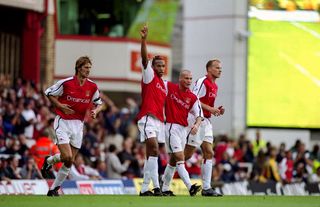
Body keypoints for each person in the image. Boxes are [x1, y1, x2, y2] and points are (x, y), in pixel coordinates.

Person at [42, 56, 104, 196]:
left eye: (90, 68)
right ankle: (50, 161)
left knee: (70, 161)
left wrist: (96, 110)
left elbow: (99, 103)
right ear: (78, 67)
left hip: (78, 125)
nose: (88, 70)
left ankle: (54, 189)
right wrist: (59, 105)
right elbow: (48, 93)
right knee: (67, 157)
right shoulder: (66, 83)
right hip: (63, 122)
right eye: (86, 67)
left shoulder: (92, 86)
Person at [184, 59, 224, 196]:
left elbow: (206, 105)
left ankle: (206, 188)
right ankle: (165, 178)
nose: (220, 70)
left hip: (207, 121)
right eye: (217, 67)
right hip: (197, 119)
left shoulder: (215, 86)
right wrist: (210, 109)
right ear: (209, 69)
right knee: (187, 155)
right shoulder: (203, 81)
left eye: (220, 68)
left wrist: (215, 110)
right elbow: (193, 99)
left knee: (209, 152)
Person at [136, 25, 167, 196]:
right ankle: (155, 187)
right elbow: (144, 58)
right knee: (154, 149)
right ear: (153, 66)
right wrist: (143, 39)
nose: (161, 68)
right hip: (147, 118)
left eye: (163, 66)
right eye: (159, 65)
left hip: (159, 122)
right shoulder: (149, 75)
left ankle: (146, 188)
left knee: (152, 155)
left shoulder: (164, 85)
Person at [161, 70, 202, 196]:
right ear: (180, 79)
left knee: (173, 160)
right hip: (171, 126)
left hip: (183, 130)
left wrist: (196, 124)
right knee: (180, 157)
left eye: (190, 78)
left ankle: (165, 188)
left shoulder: (193, 97)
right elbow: (155, 80)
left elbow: (199, 115)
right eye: (186, 78)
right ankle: (190, 187)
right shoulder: (169, 86)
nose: (189, 81)